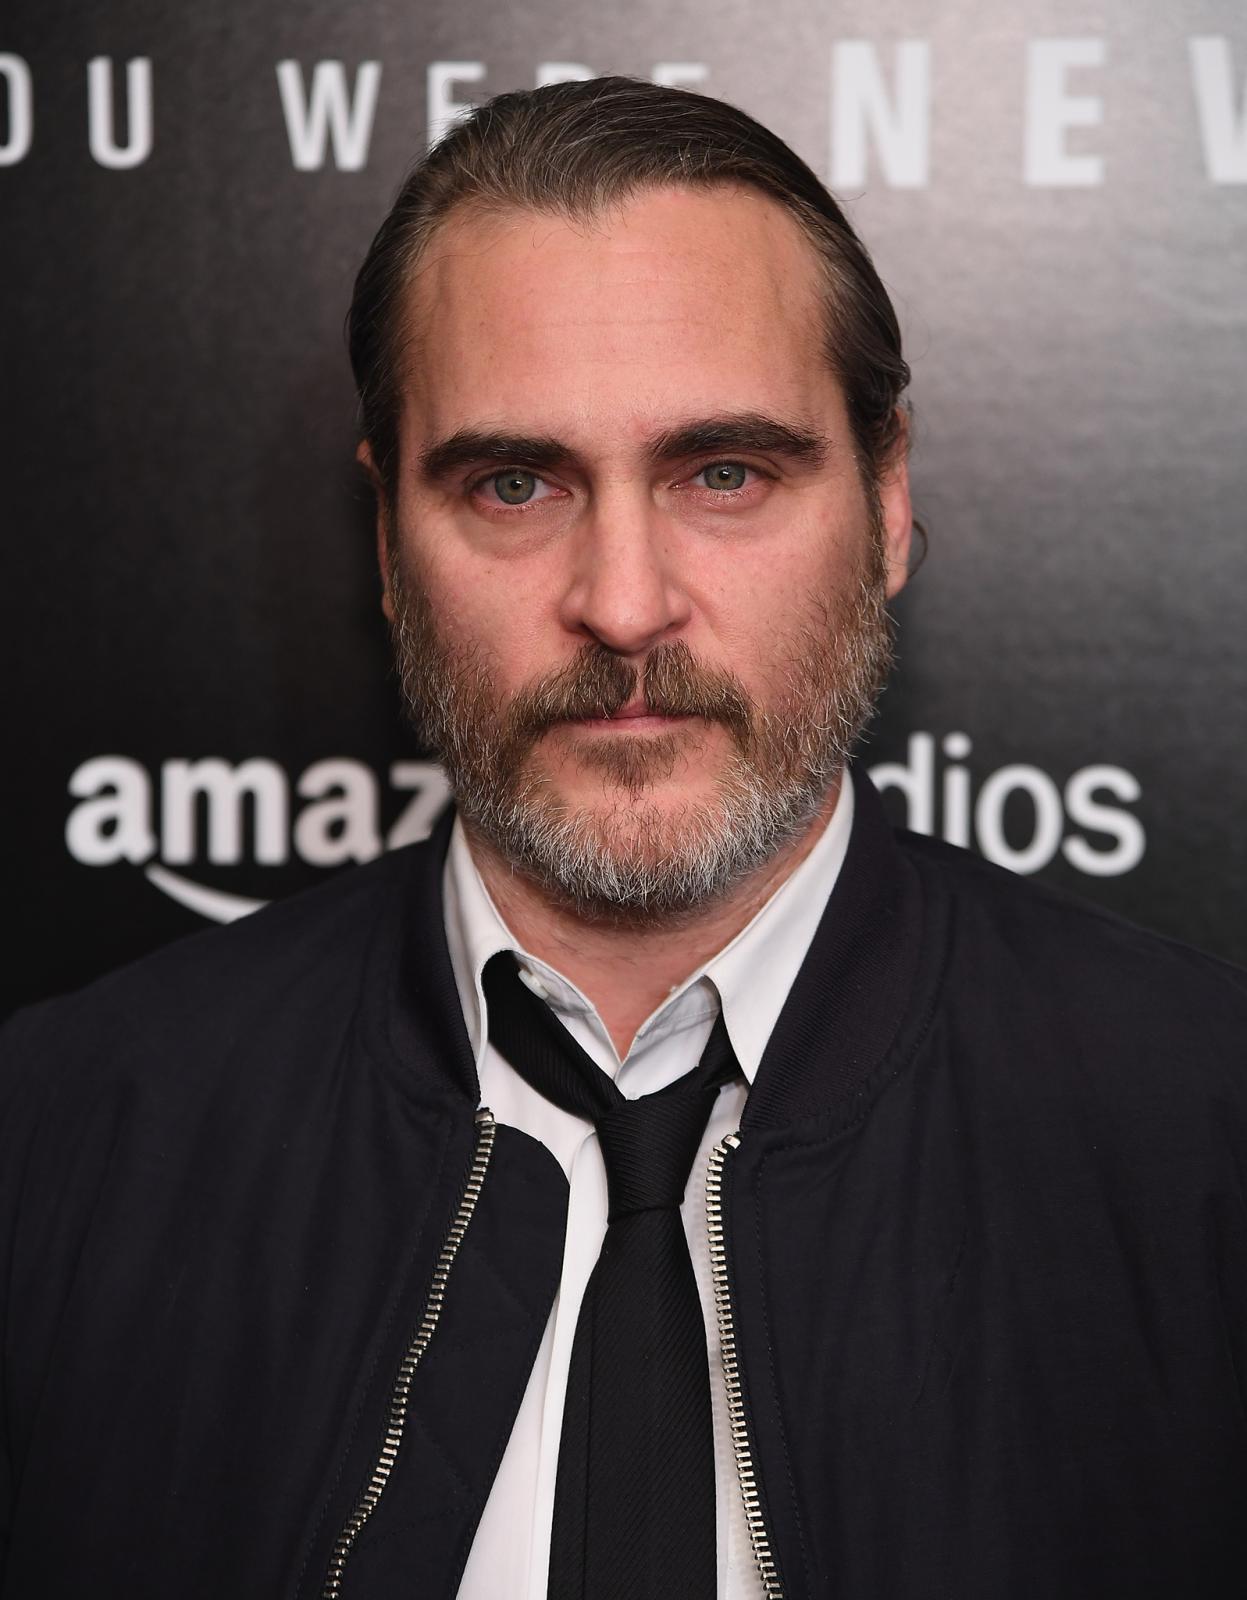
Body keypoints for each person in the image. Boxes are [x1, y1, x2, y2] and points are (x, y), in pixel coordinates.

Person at [1, 75, 1245, 1600]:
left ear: (888, 499)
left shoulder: (1206, 1137)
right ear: (387, 539)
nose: (625, 604)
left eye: (724, 473)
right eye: (514, 484)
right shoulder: (61, 1147)